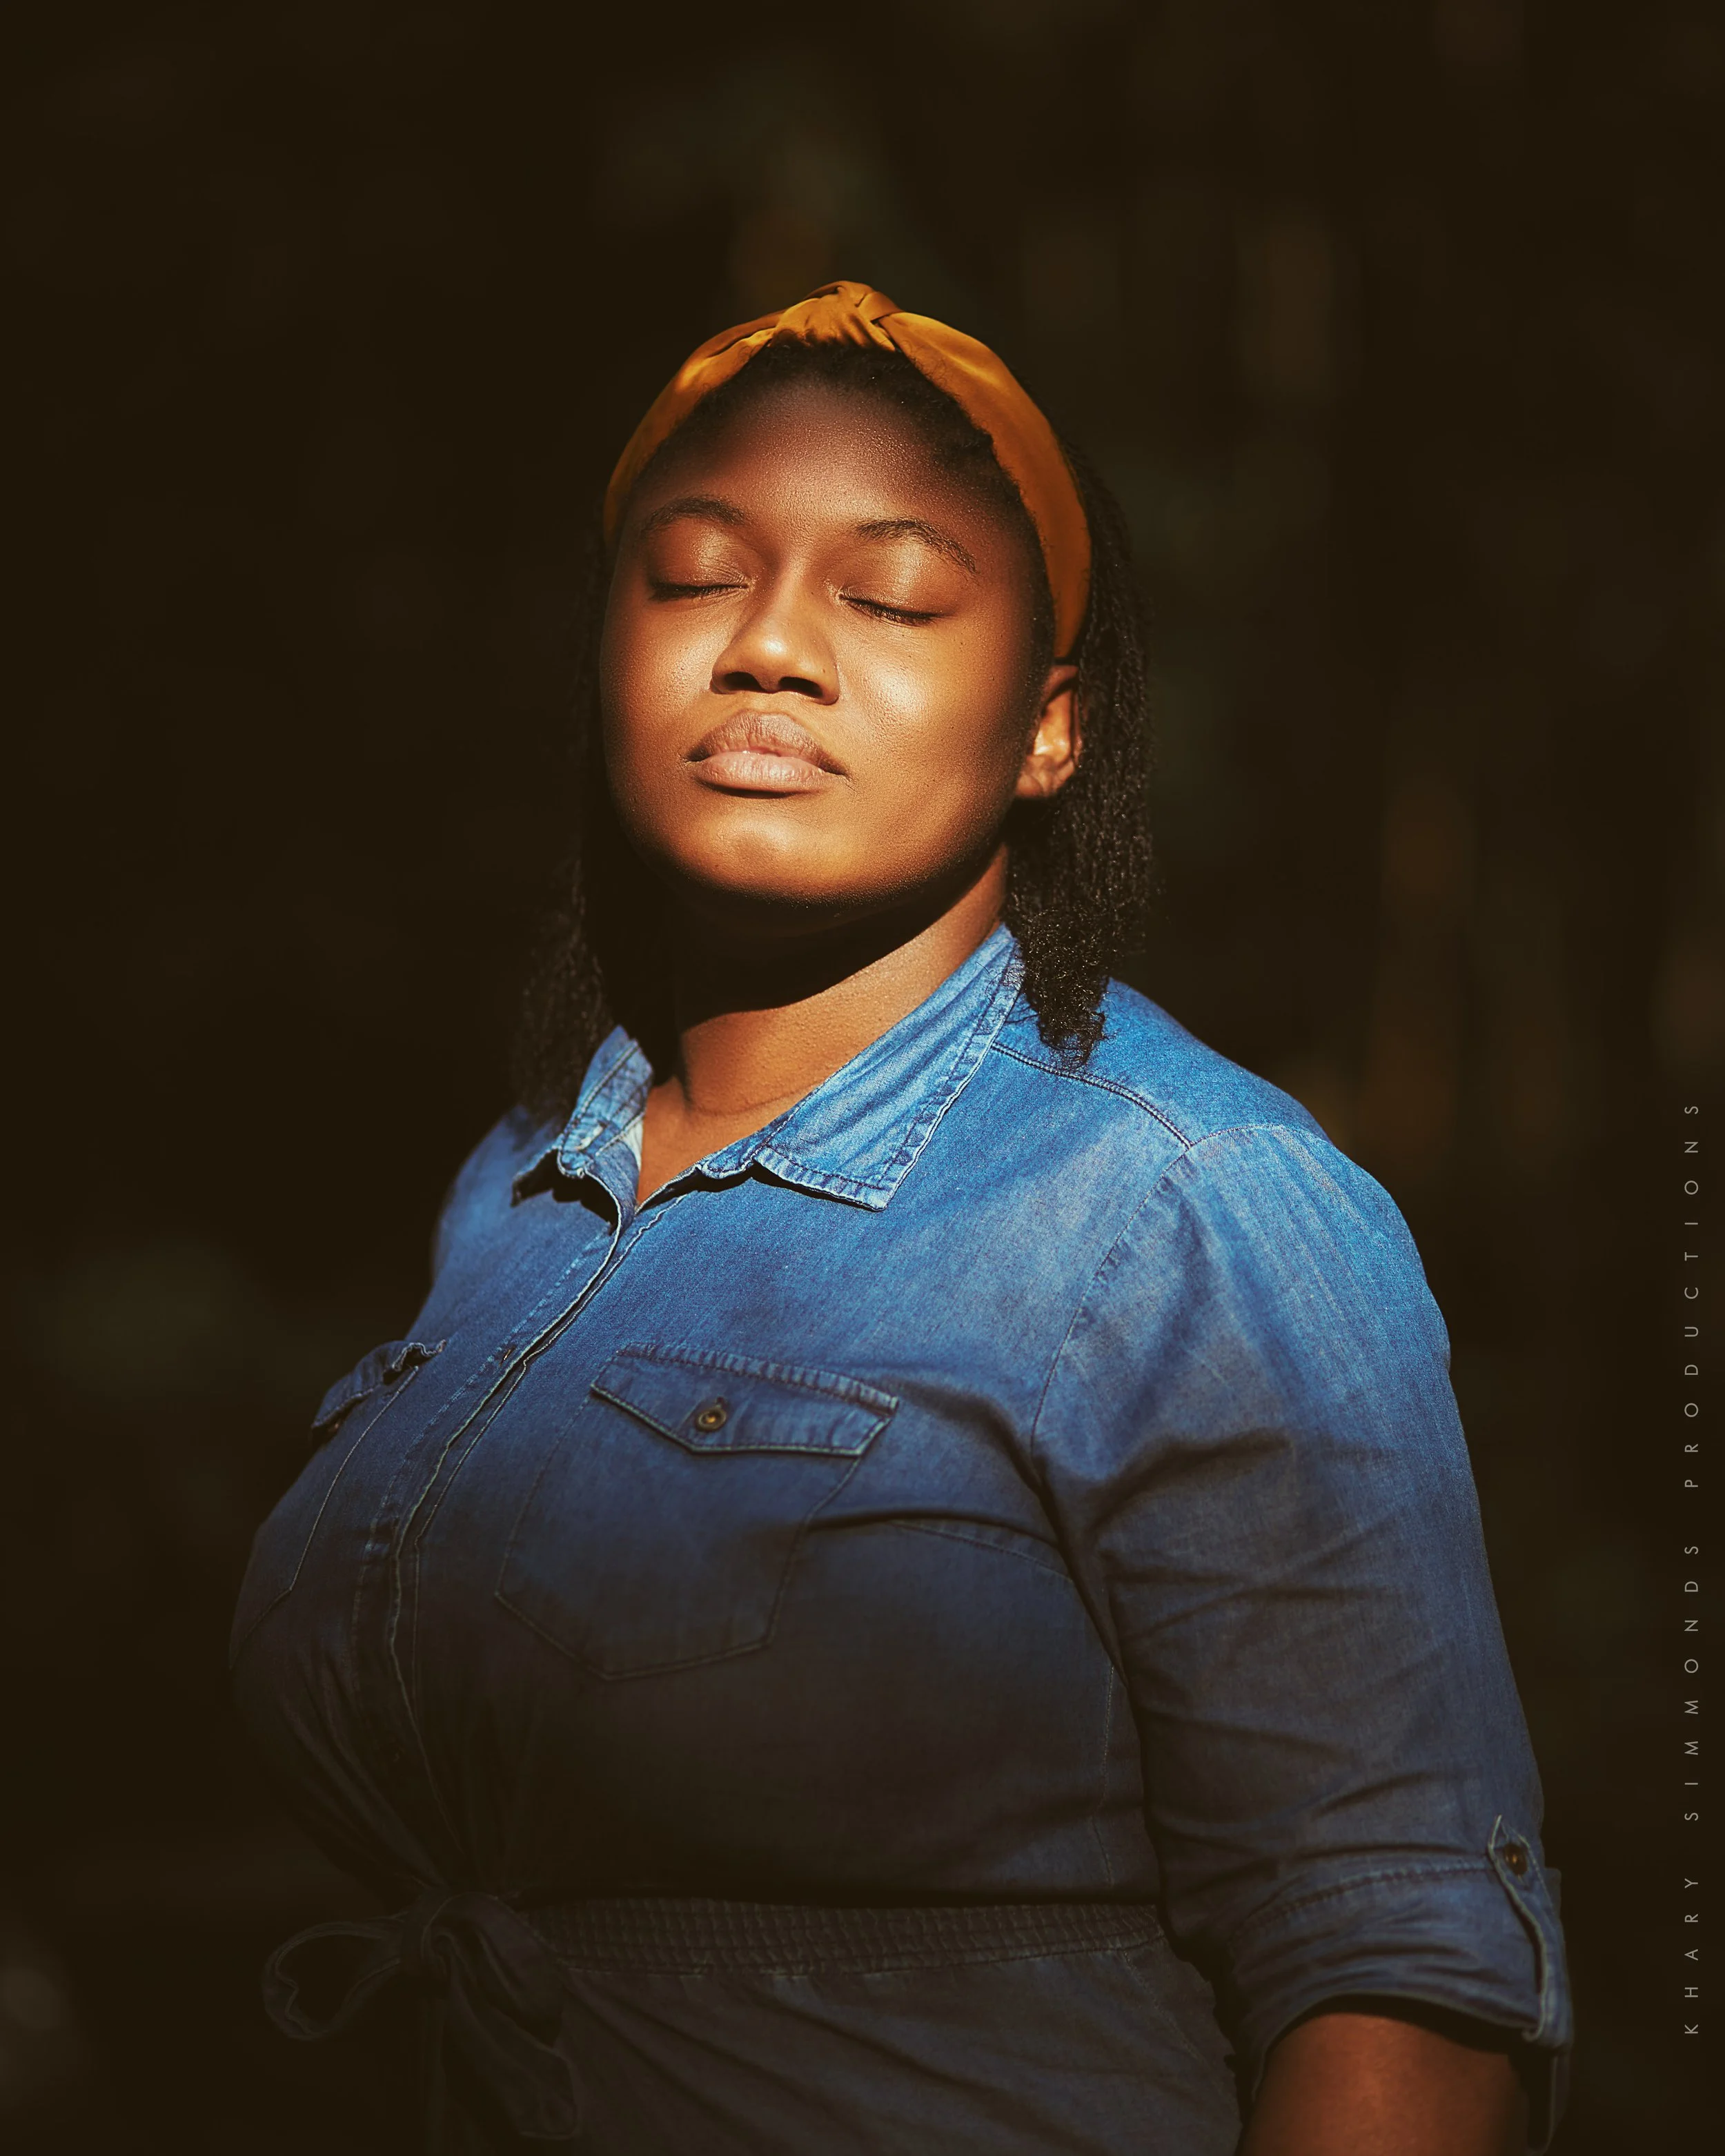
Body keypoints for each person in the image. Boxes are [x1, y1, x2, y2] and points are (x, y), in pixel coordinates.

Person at [230, 282, 1570, 2155]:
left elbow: (1404, 2006)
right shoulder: (521, 1189)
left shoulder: (1186, 1207)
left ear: (1047, 724)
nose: (768, 644)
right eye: (691, 576)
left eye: (891, 596)